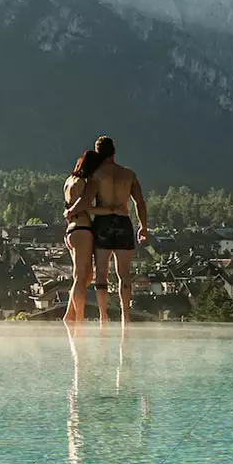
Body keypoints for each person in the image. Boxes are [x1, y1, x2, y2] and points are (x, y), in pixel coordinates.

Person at [66, 135, 147, 324]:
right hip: (123, 222)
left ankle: (103, 317)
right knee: (124, 274)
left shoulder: (96, 175)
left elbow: (85, 202)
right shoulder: (129, 174)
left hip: (102, 223)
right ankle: (125, 317)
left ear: (98, 152)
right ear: (114, 152)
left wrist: (70, 211)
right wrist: (143, 226)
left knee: (101, 274)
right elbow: (140, 203)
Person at [63, 149, 102, 323]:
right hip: (82, 229)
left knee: (83, 276)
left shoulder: (69, 181)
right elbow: (85, 203)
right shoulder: (84, 182)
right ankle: (78, 317)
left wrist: (70, 212)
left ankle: (70, 314)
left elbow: (70, 205)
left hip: (71, 230)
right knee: (81, 277)